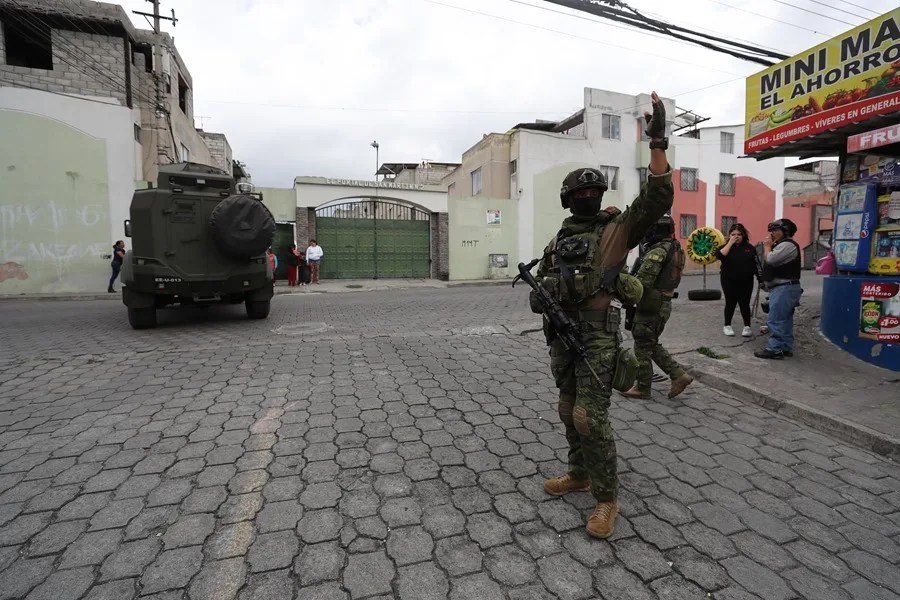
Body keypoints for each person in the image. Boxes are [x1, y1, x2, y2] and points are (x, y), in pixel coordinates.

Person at [531, 91, 673, 539]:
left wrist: (657, 139)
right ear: (568, 200)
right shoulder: (557, 241)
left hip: (597, 337)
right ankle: (579, 472)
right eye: (581, 193)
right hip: (561, 336)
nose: (589, 197)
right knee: (566, 408)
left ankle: (607, 498)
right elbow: (541, 287)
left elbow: (657, 197)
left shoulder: (616, 229)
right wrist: (544, 300)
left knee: (590, 416)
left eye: (595, 191)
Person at [621, 216, 693, 401]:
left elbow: (642, 283)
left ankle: (643, 387)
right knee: (649, 343)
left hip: (651, 305)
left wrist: (624, 284)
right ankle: (678, 374)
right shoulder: (675, 248)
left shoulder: (658, 252)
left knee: (642, 346)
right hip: (662, 303)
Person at [755, 218, 802, 359]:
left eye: (776, 230)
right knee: (785, 320)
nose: (773, 233)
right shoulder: (781, 245)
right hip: (783, 287)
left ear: (785, 231)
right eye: (772, 230)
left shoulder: (788, 245)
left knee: (775, 320)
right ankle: (785, 347)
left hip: (784, 288)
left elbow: (771, 259)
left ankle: (774, 349)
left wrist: (768, 247)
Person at [716, 223, 758, 337]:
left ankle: (747, 326)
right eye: (733, 234)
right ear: (729, 235)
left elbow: (756, 265)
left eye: (739, 234)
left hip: (746, 281)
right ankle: (727, 325)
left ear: (743, 235)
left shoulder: (750, 248)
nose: (736, 236)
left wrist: (761, 279)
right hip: (728, 280)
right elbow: (720, 255)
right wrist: (730, 243)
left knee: (744, 303)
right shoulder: (725, 247)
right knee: (730, 303)